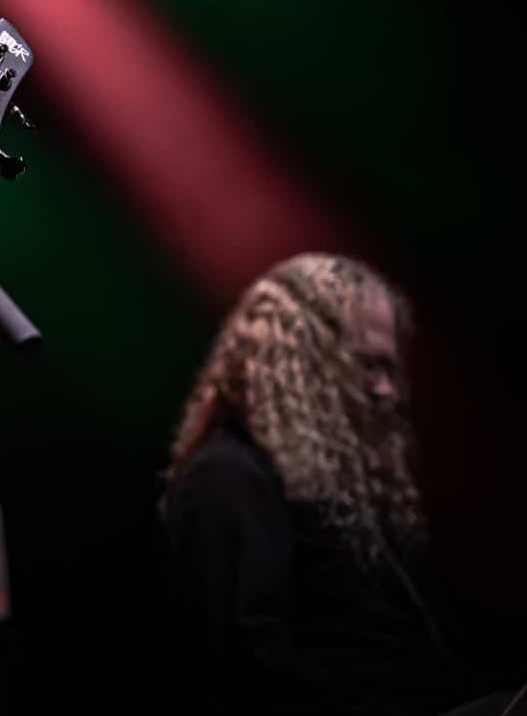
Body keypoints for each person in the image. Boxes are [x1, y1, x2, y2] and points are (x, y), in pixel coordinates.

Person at [159, 252, 489, 715]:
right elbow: (248, 667)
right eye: (367, 365)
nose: (387, 390)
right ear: (299, 361)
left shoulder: (332, 482)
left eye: (390, 368)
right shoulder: (227, 477)